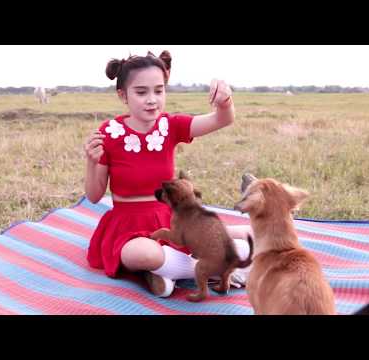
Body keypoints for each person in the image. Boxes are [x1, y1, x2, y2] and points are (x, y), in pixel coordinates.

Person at [84, 50, 252, 297]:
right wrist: (91, 162)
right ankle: (210, 267)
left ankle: (165, 271)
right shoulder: (109, 133)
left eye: (159, 90)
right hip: (127, 225)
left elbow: (222, 119)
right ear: (123, 95)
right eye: (141, 92)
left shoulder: (171, 126)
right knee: (143, 253)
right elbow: (94, 195)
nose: (152, 99)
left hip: (172, 219)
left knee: (251, 235)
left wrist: (224, 100)